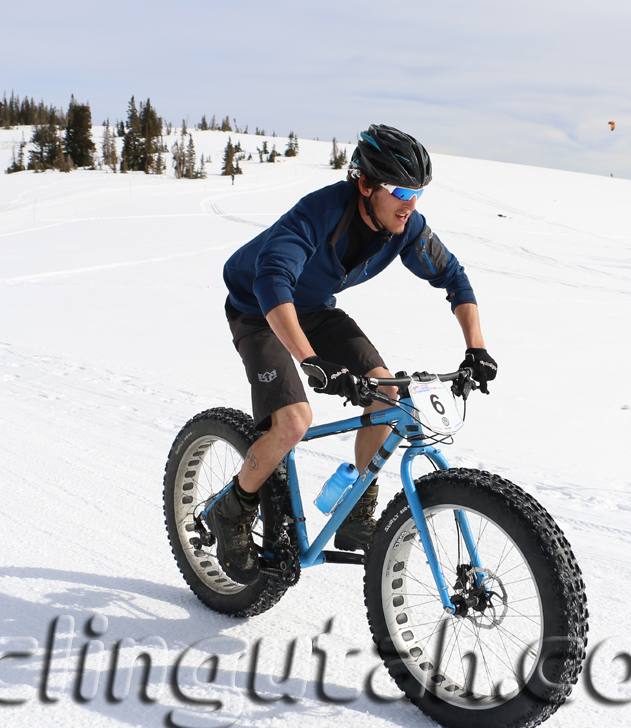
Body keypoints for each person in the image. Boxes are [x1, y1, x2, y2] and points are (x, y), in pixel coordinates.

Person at [212, 124, 498, 582]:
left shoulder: (404, 226)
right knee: (293, 422)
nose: (412, 204)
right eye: (402, 190)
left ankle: (354, 514)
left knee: (386, 394)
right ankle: (232, 509)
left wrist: (476, 347)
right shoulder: (318, 214)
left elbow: (454, 278)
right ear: (365, 185)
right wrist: (310, 360)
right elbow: (271, 281)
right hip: (258, 310)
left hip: (316, 310)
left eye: (419, 192)